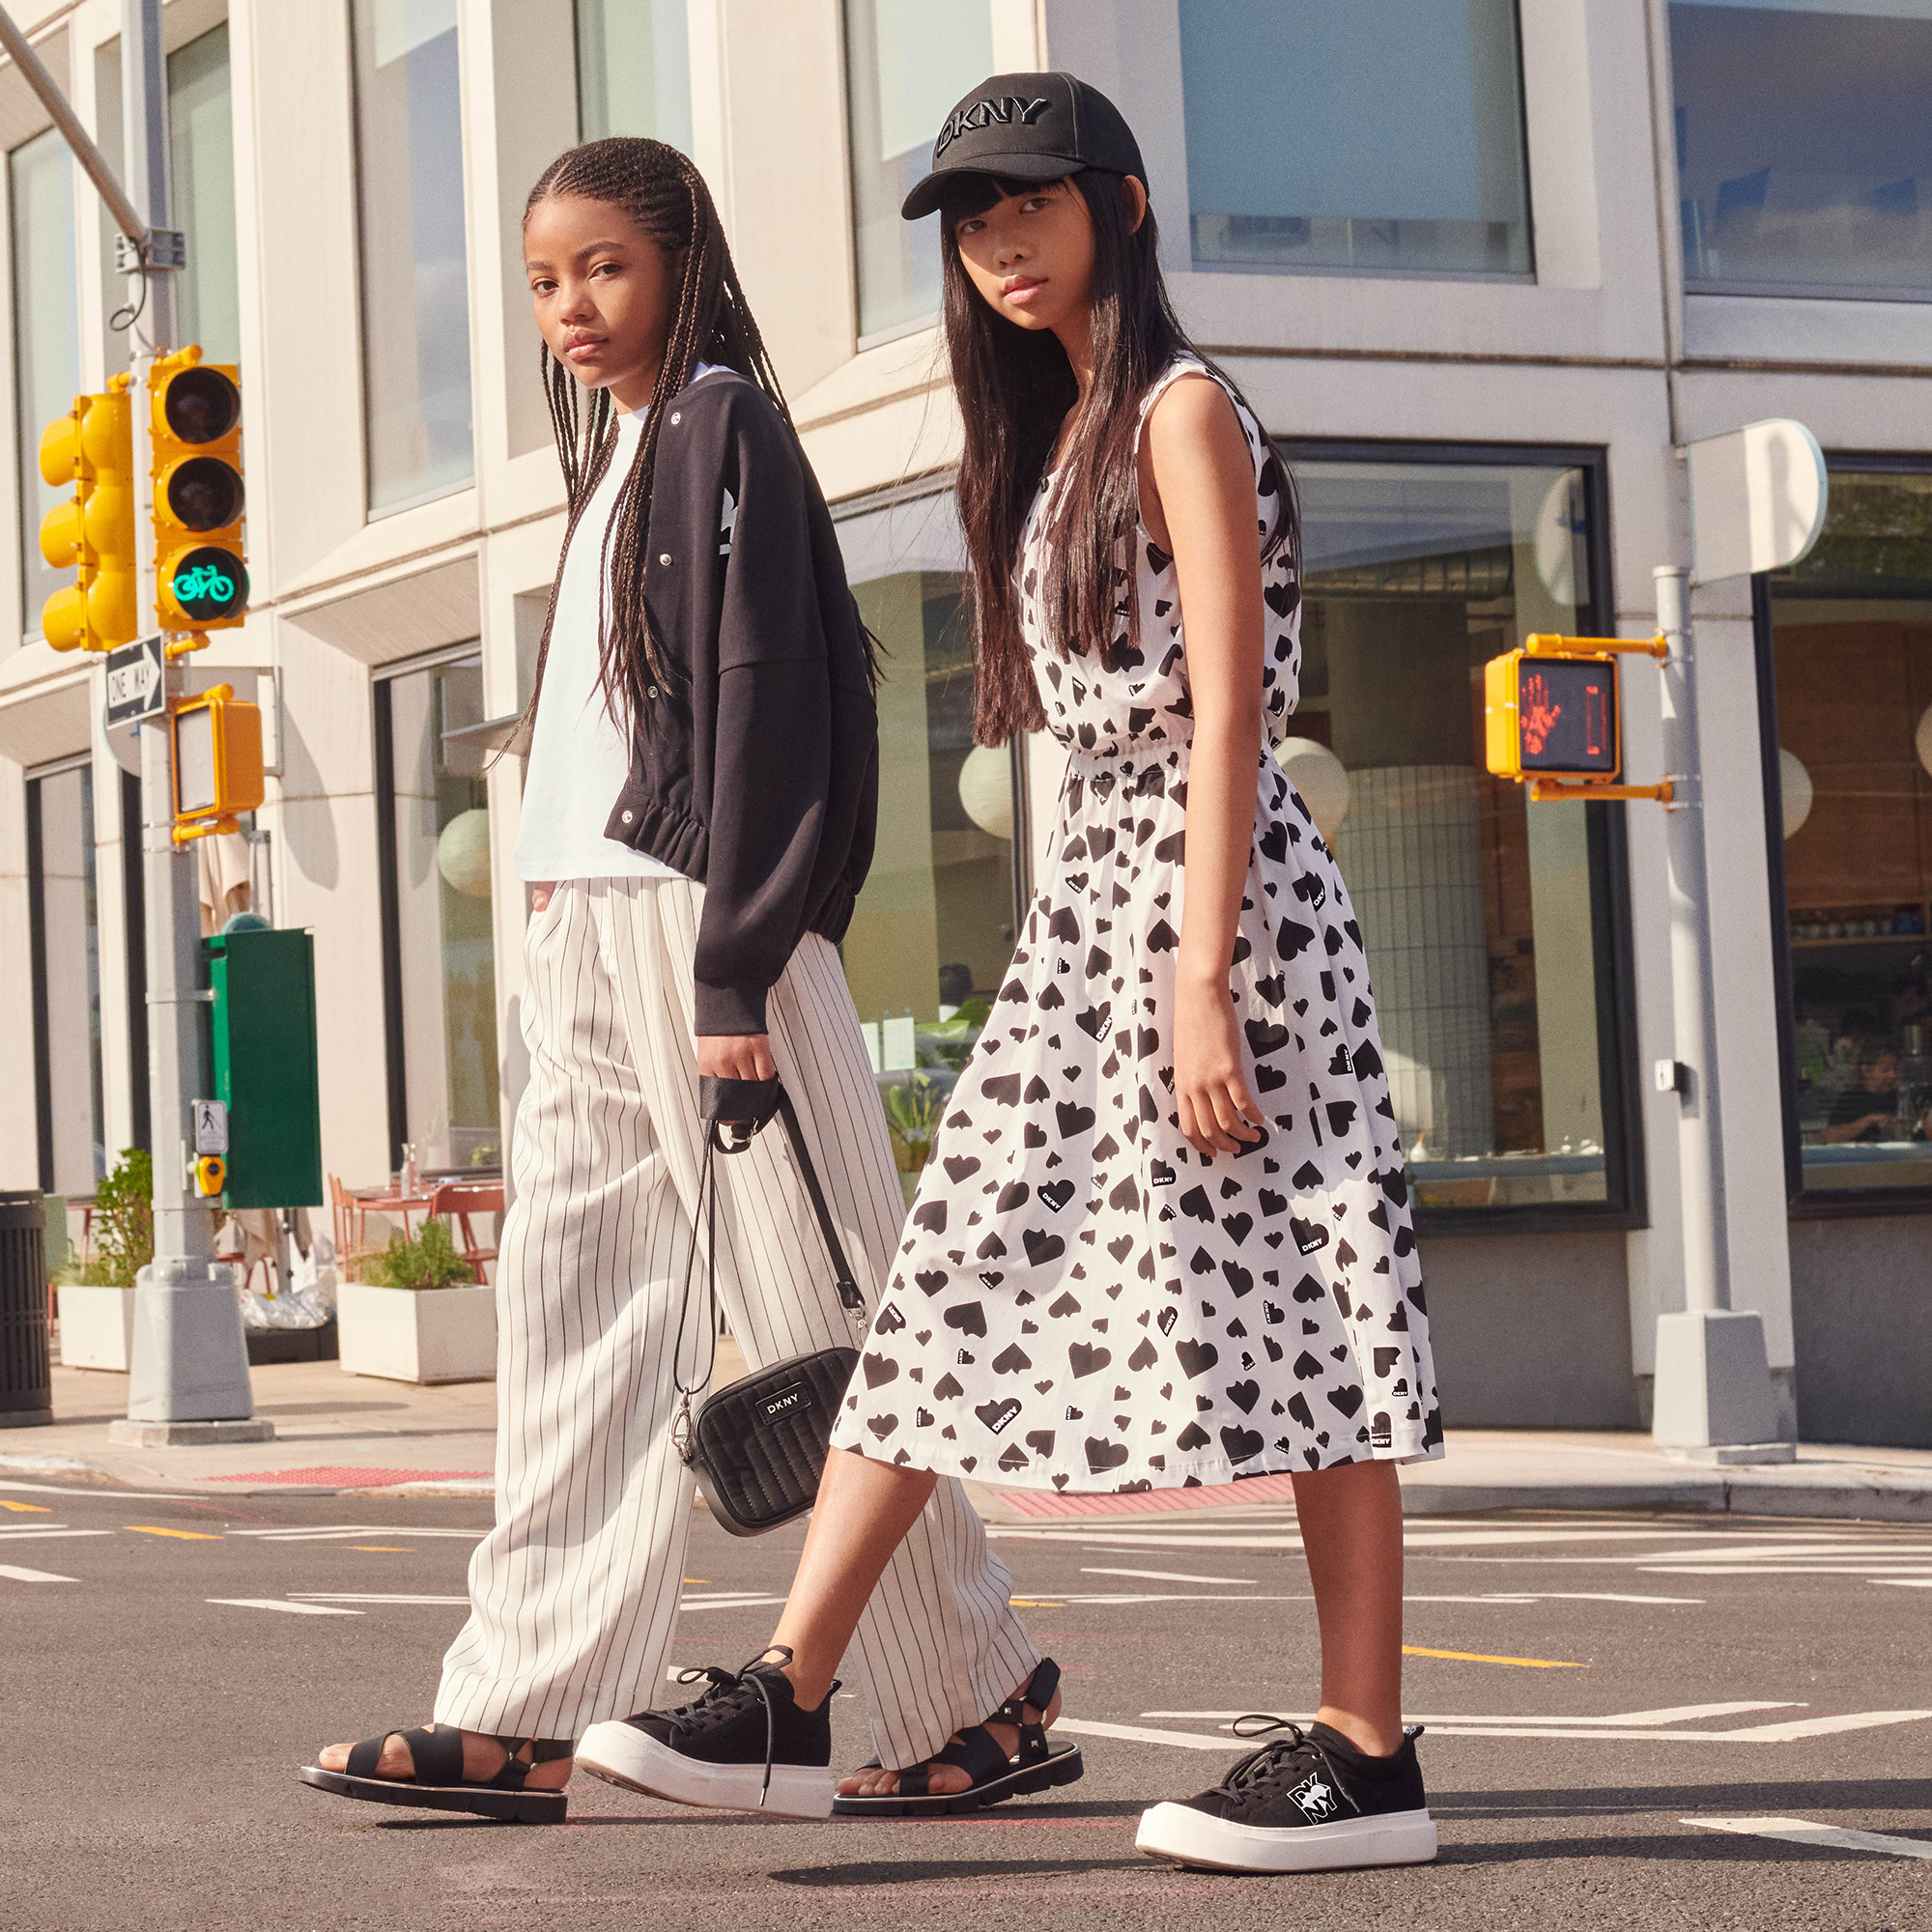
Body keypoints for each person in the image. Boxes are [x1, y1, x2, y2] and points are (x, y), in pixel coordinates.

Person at [640, 73, 1445, 1873]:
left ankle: (1369, 1748)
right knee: (944, 1286)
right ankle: (792, 1693)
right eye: (974, 219)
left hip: (1207, 909)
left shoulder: (1174, 409)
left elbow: (1232, 703)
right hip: (1096, 910)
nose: (1002, 242)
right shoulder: (1062, 424)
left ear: (1123, 205)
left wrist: (1202, 973)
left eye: (1032, 205)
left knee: (1316, 1308)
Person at [300, 135, 1051, 1825]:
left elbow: (775, 705)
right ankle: (529, 1703)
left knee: (829, 1320)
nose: (572, 305)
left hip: (709, 929)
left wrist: (736, 967)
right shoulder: (630, 446)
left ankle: (975, 1687)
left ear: (682, 261)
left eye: (605, 269)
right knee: (571, 1316)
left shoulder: (725, 426)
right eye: (545, 280)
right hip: (579, 920)